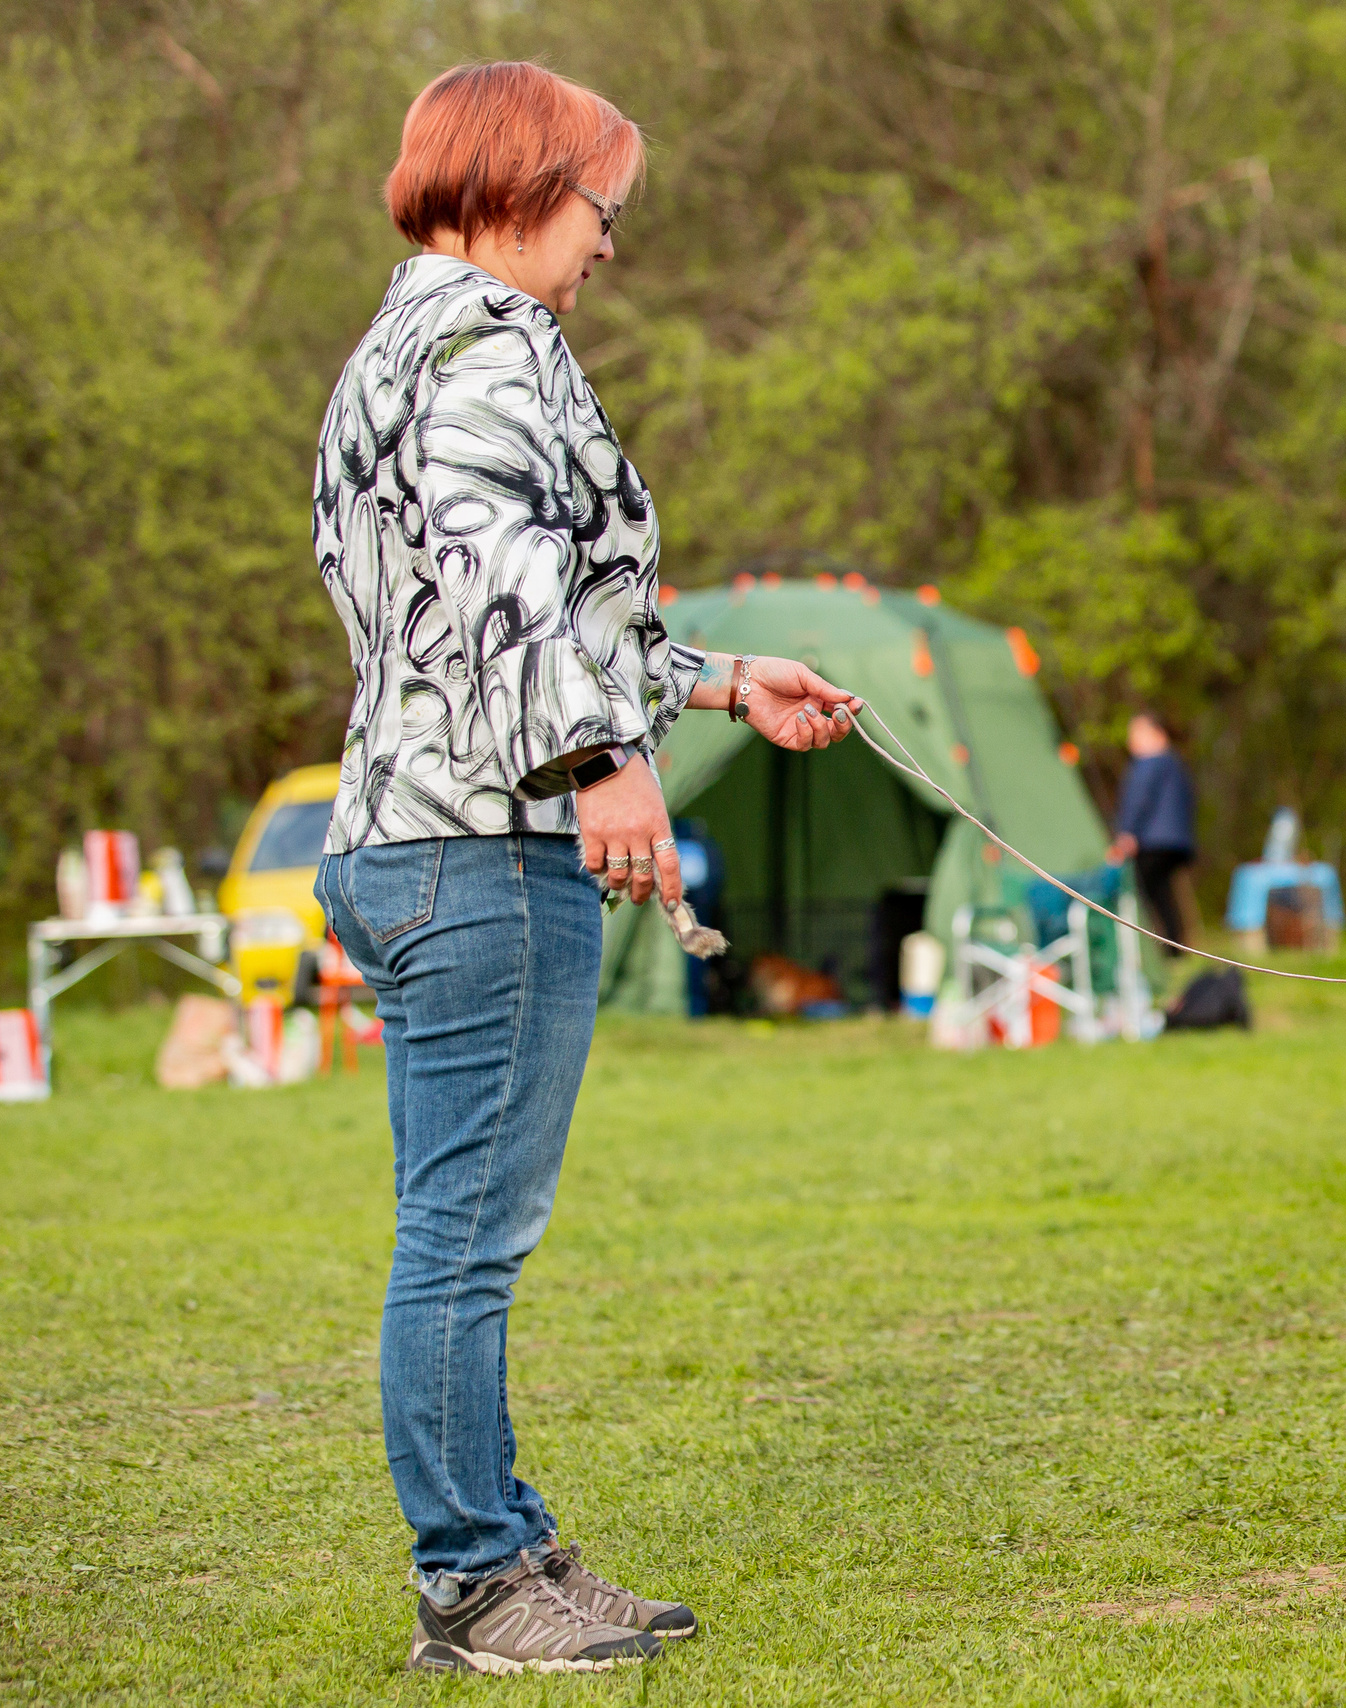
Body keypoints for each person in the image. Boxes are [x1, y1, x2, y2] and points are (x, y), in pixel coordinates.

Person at [310, 63, 864, 1674]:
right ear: (519, 186)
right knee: (466, 1235)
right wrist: (608, 761)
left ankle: (502, 1545)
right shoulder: (488, 343)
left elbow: (535, 606)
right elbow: (500, 579)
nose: (611, 245)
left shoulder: (398, 345)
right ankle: (478, 1584)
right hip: (482, 844)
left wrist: (718, 677)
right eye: (603, 209)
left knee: (458, 1225)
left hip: (404, 831)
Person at [1108, 712, 1197, 954]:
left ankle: (1151, 952)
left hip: (1153, 841)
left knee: (1139, 893)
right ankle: (1173, 949)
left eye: (1136, 734)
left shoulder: (1150, 762)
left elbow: (1138, 799)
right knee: (1161, 893)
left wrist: (1126, 833)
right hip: (1174, 842)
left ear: (1157, 734)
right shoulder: (1175, 764)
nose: (1131, 741)